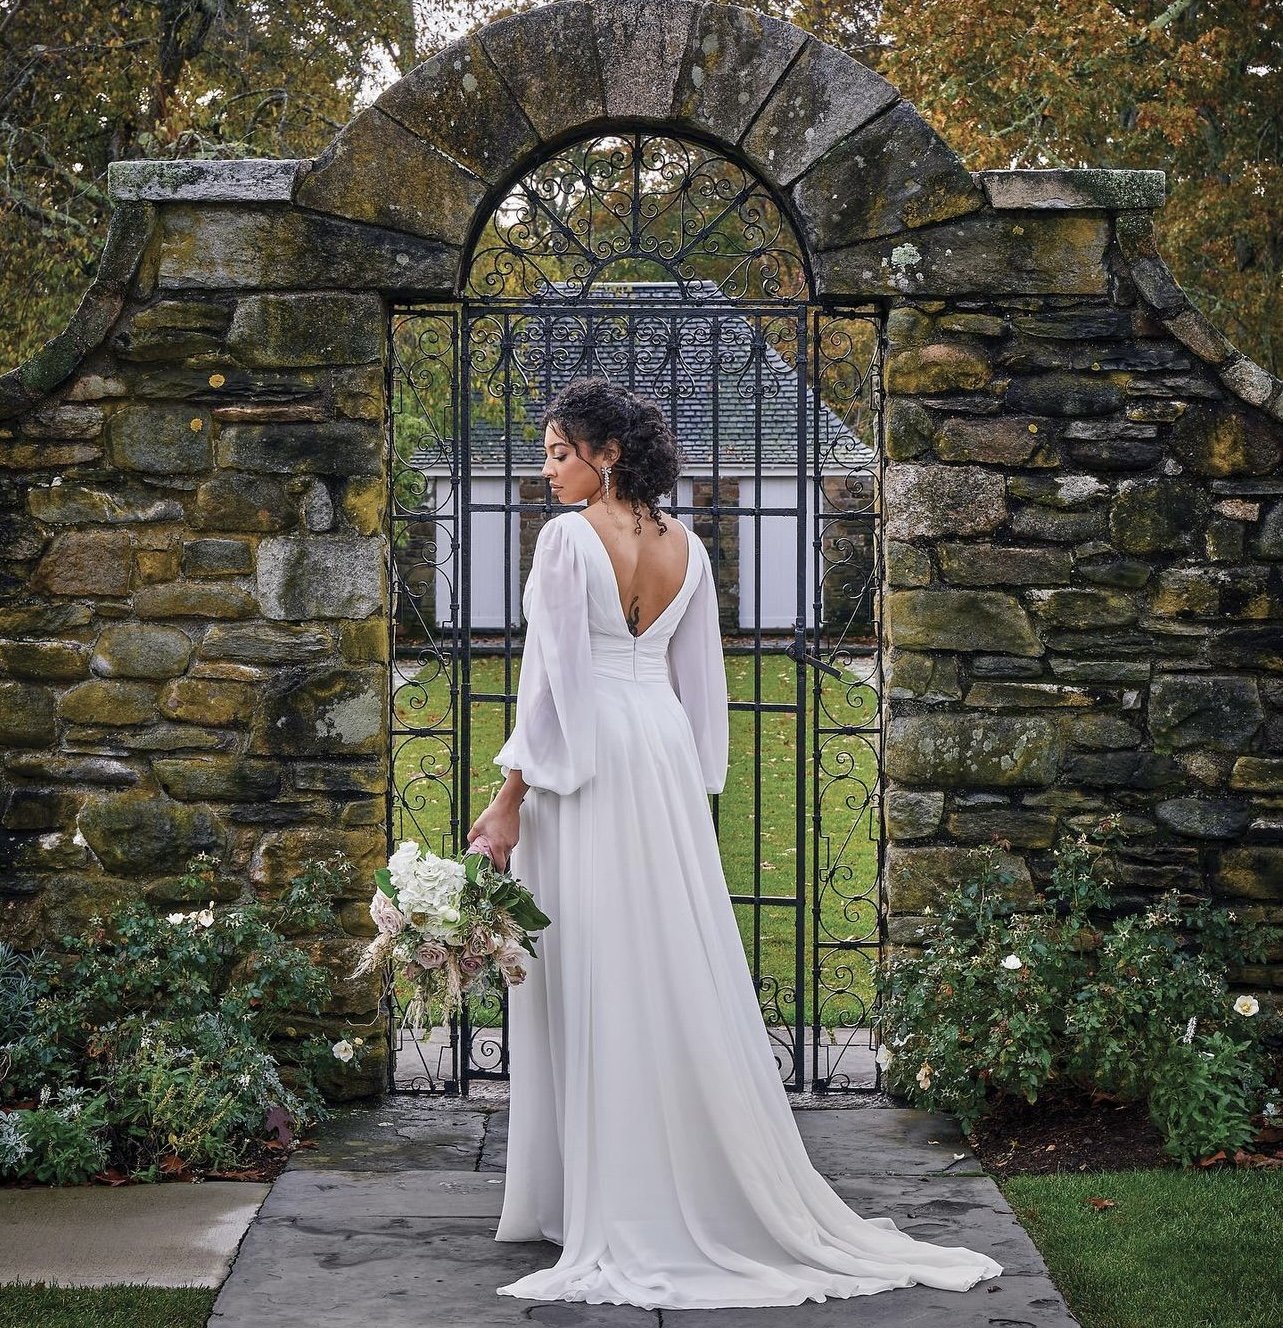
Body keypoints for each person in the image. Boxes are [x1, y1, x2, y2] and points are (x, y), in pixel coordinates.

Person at [465, 376, 1004, 1309]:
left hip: (585, 763)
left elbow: (550, 689)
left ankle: (610, 1195)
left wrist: (507, 799)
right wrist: (691, 785)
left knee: (596, 962)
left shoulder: (564, 540)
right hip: (662, 756)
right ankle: (633, 1178)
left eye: (558, 452)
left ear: (607, 456)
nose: (544, 470)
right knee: (659, 960)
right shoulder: (689, 548)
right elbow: (699, 687)